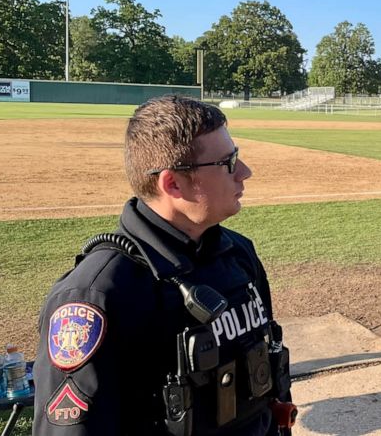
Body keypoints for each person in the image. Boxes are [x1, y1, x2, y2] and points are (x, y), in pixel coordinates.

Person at [33, 95, 293, 435]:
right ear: (172, 183)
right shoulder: (97, 295)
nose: (245, 172)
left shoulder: (238, 254)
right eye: (228, 163)